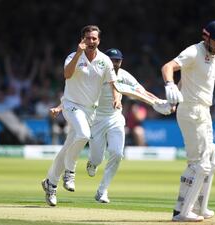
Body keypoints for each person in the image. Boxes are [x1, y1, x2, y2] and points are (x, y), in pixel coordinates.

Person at [50, 48, 172, 204]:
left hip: (115, 118)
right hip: (95, 121)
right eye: (112, 60)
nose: (115, 63)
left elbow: (142, 91)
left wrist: (160, 102)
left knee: (117, 153)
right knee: (97, 158)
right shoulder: (96, 75)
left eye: (118, 60)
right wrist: (60, 108)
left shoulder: (124, 75)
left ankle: (102, 191)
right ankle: (93, 163)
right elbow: (75, 95)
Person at [41, 25, 121, 207]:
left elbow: (112, 83)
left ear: (99, 40)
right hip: (71, 105)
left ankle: (50, 183)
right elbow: (67, 75)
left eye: (94, 39)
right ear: (82, 40)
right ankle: (70, 172)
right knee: (83, 135)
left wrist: (117, 98)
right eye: (88, 39)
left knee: (67, 148)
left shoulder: (105, 61)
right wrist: (78, 54)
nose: (91, 42)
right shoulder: (72, 57)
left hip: (89, 110)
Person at [161, 20, 215, 222]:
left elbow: (188, 78)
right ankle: (182, 212)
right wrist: (169, 85)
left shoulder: (212, 55)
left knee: (212, 160)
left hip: (203, 112)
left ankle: (201, 207)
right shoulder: (193, 51)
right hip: (191, 111)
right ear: (206, 37)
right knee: (200, 164)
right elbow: (168, 67)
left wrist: (175, 97)